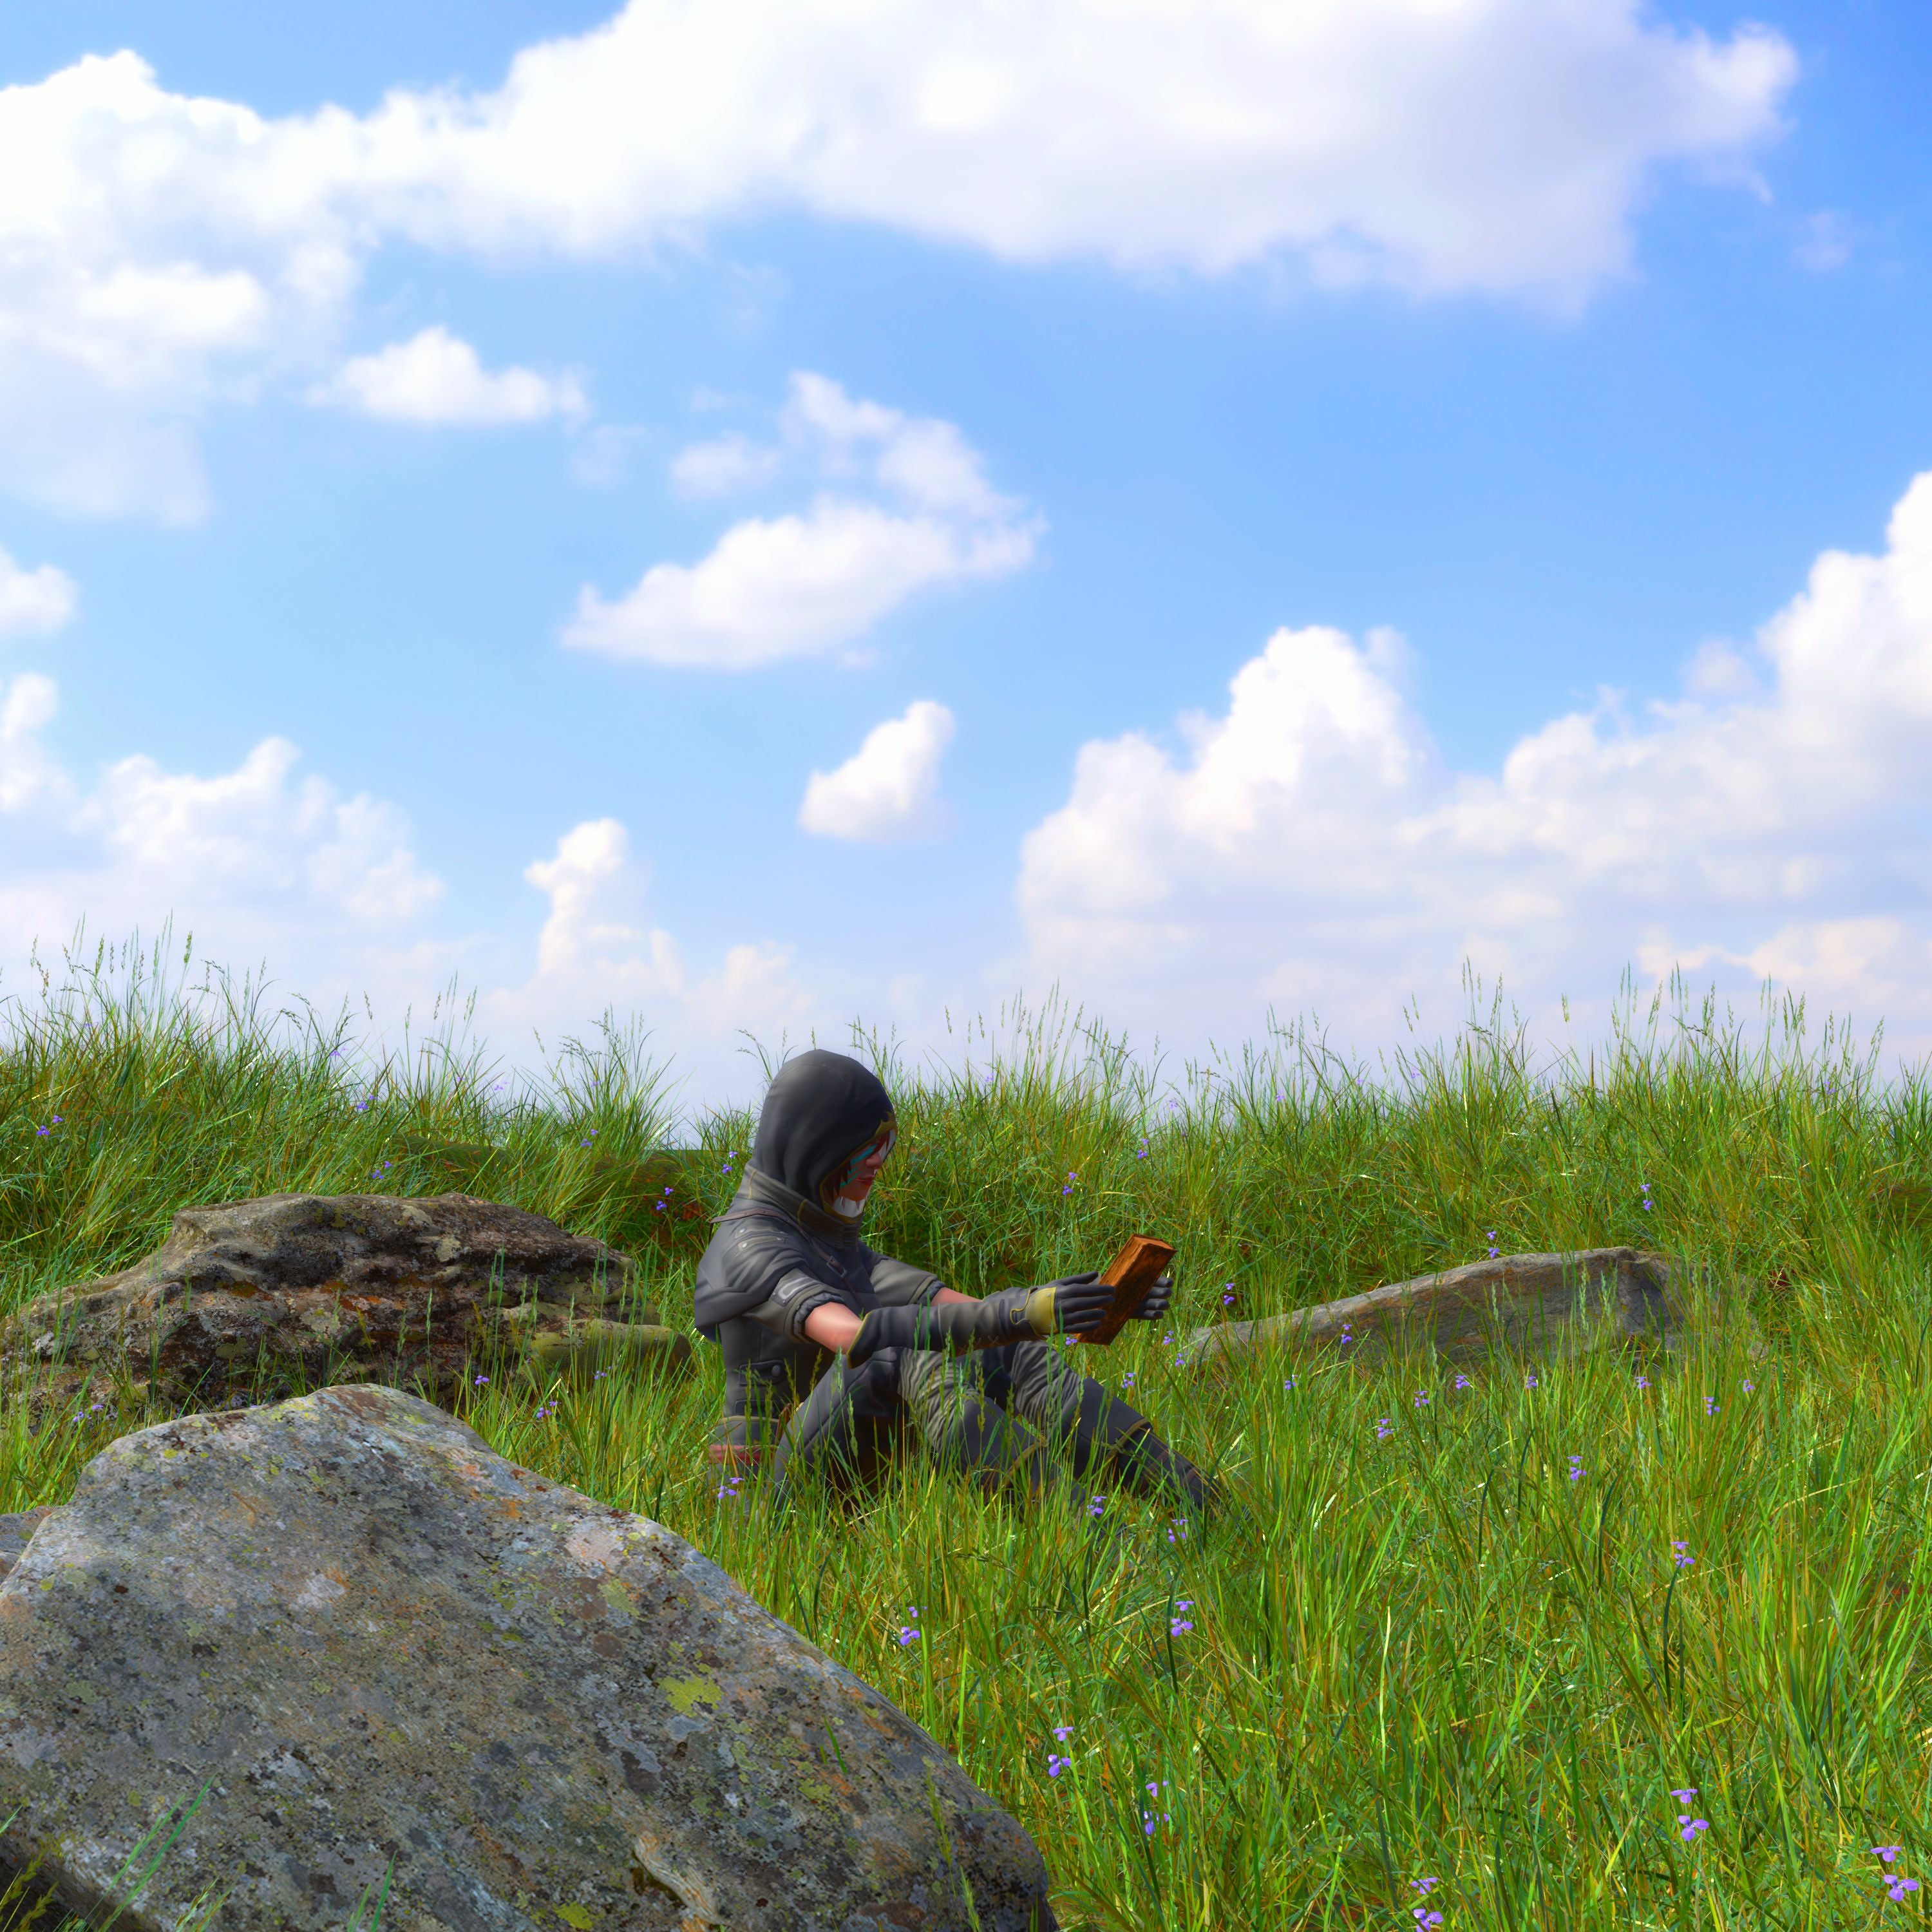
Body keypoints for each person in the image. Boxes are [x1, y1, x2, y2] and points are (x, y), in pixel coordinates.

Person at [693, 1048, 1222, 1515]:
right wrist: (1025, 1313)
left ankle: (1194, 1499)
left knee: (1010, 1349)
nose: (878, 1162)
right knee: (892, 1351)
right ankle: (1090, 1534)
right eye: (864, 1146)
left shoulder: (831, 1244)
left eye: (883, 1146)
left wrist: (1088, 1303)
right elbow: (854, 1337)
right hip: (765, 1499)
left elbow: (972, 1314)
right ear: (813, 1144)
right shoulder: (749, 1246)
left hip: (829, 1463)